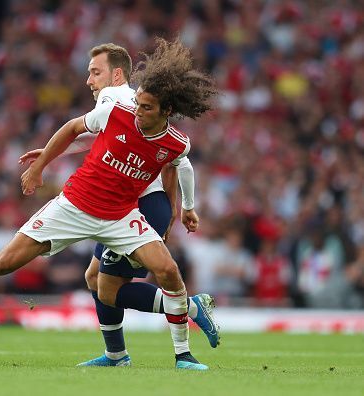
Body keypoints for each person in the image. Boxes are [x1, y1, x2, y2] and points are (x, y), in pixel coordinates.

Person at [0, 38, 218, 370]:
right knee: (7, 263)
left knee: (164, 272)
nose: (138, 111)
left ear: (165, 110)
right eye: (139, 104)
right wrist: (42, 164)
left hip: (124, 214)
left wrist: (185, 207)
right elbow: (77, 129)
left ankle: (182, 355)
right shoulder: (118, 111)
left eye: (95, 72)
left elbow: (180, 162)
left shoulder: (171, 138)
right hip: (75, 206)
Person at [18, 43, 219, 367]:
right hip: (130, 206)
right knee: (93, 278)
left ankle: (191, 309)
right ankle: (116, 354)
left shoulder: (115, 99)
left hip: (137, 206)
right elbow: (175, 160)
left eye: (94, 72)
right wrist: (182, 207)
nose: (89, 80)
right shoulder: (136, 103)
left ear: (116, 74)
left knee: (108, 289)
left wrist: (176, 207)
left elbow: (172, 157)